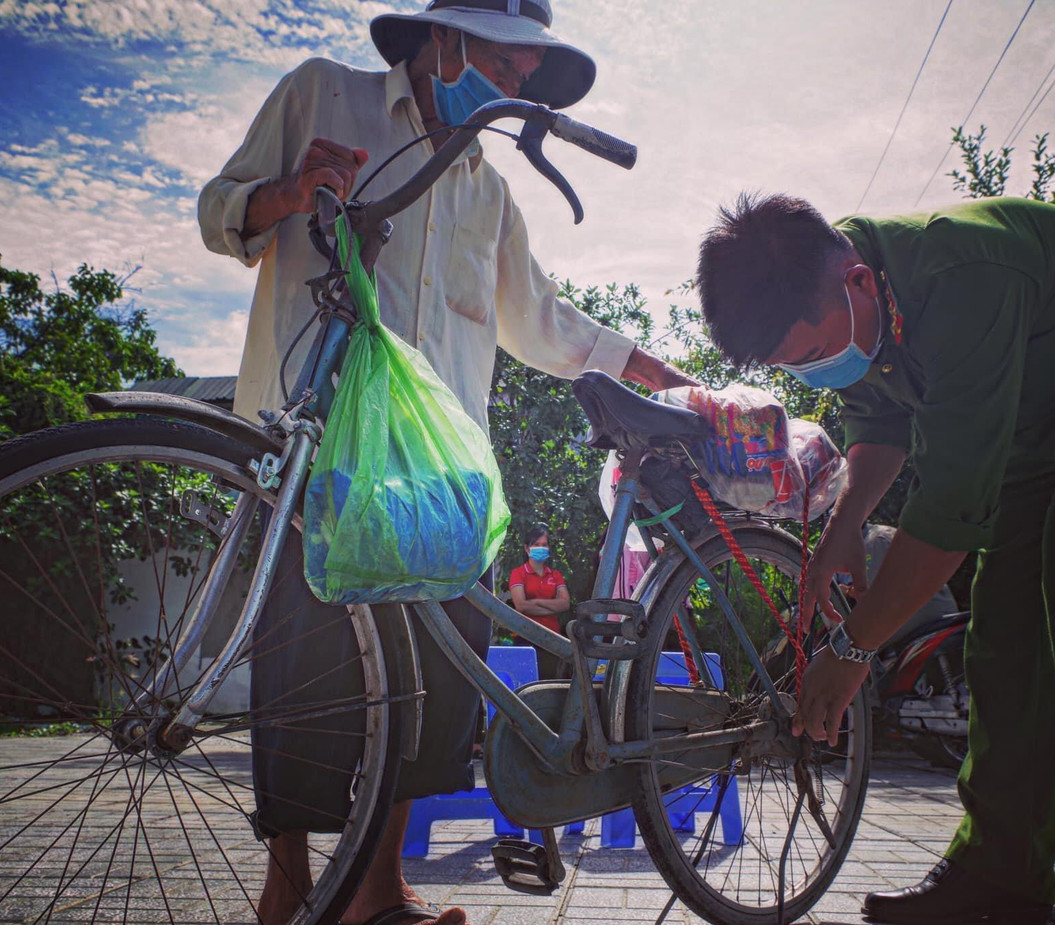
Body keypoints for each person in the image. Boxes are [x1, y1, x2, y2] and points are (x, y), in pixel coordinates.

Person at [197, 3, 693, 924]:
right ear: (443, 36)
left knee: (432, 680)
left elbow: (540, 319)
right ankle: (289, 890)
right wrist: (284, 195)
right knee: (305, 671)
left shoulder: (485, 189)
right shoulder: (323, 95)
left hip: (436, 480)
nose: (511, 89)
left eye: (523, 78)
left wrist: (644, 366)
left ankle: (381, 892)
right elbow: (218, 212)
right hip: (317, 451)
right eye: (505, 63)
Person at [696, 194, 1055, 925]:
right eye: (800, 368)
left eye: (816, 356)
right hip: (1036, 411)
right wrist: (842, 526)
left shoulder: (964, 278)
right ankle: (999, 872)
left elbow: (948, 519)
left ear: (856, 282)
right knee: (1006, 625)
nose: (822, 373)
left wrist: (855, 649)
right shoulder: (847, 299)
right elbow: (879, 425)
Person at [507, 525, 569, 674]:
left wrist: (535, 602)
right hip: (526, 636)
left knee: (548, 680)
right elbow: (521, 606)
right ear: (527, 549)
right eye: (536, 545)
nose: (541, 548)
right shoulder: (518, 573)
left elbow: (565, 604)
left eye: (544, 545)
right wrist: (552, 606)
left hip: (552, 639)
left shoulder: (555, 575)